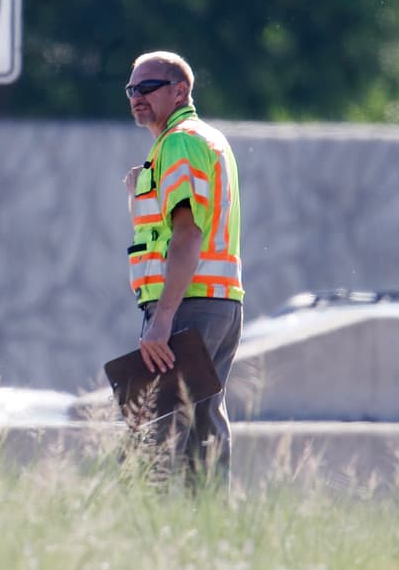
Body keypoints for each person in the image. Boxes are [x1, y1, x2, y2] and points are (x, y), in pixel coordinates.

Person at [123, 50, 243, 483]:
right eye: (132, 89)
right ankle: (210, 528)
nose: (138, 96)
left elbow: (188, 233)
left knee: (153, 434)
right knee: (202, 434)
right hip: (218, 302)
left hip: (188, 304)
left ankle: (146, 534)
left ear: (180, 91)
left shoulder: (179, 141)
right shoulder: (203, 140)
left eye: (148, 87)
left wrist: (164, 318)